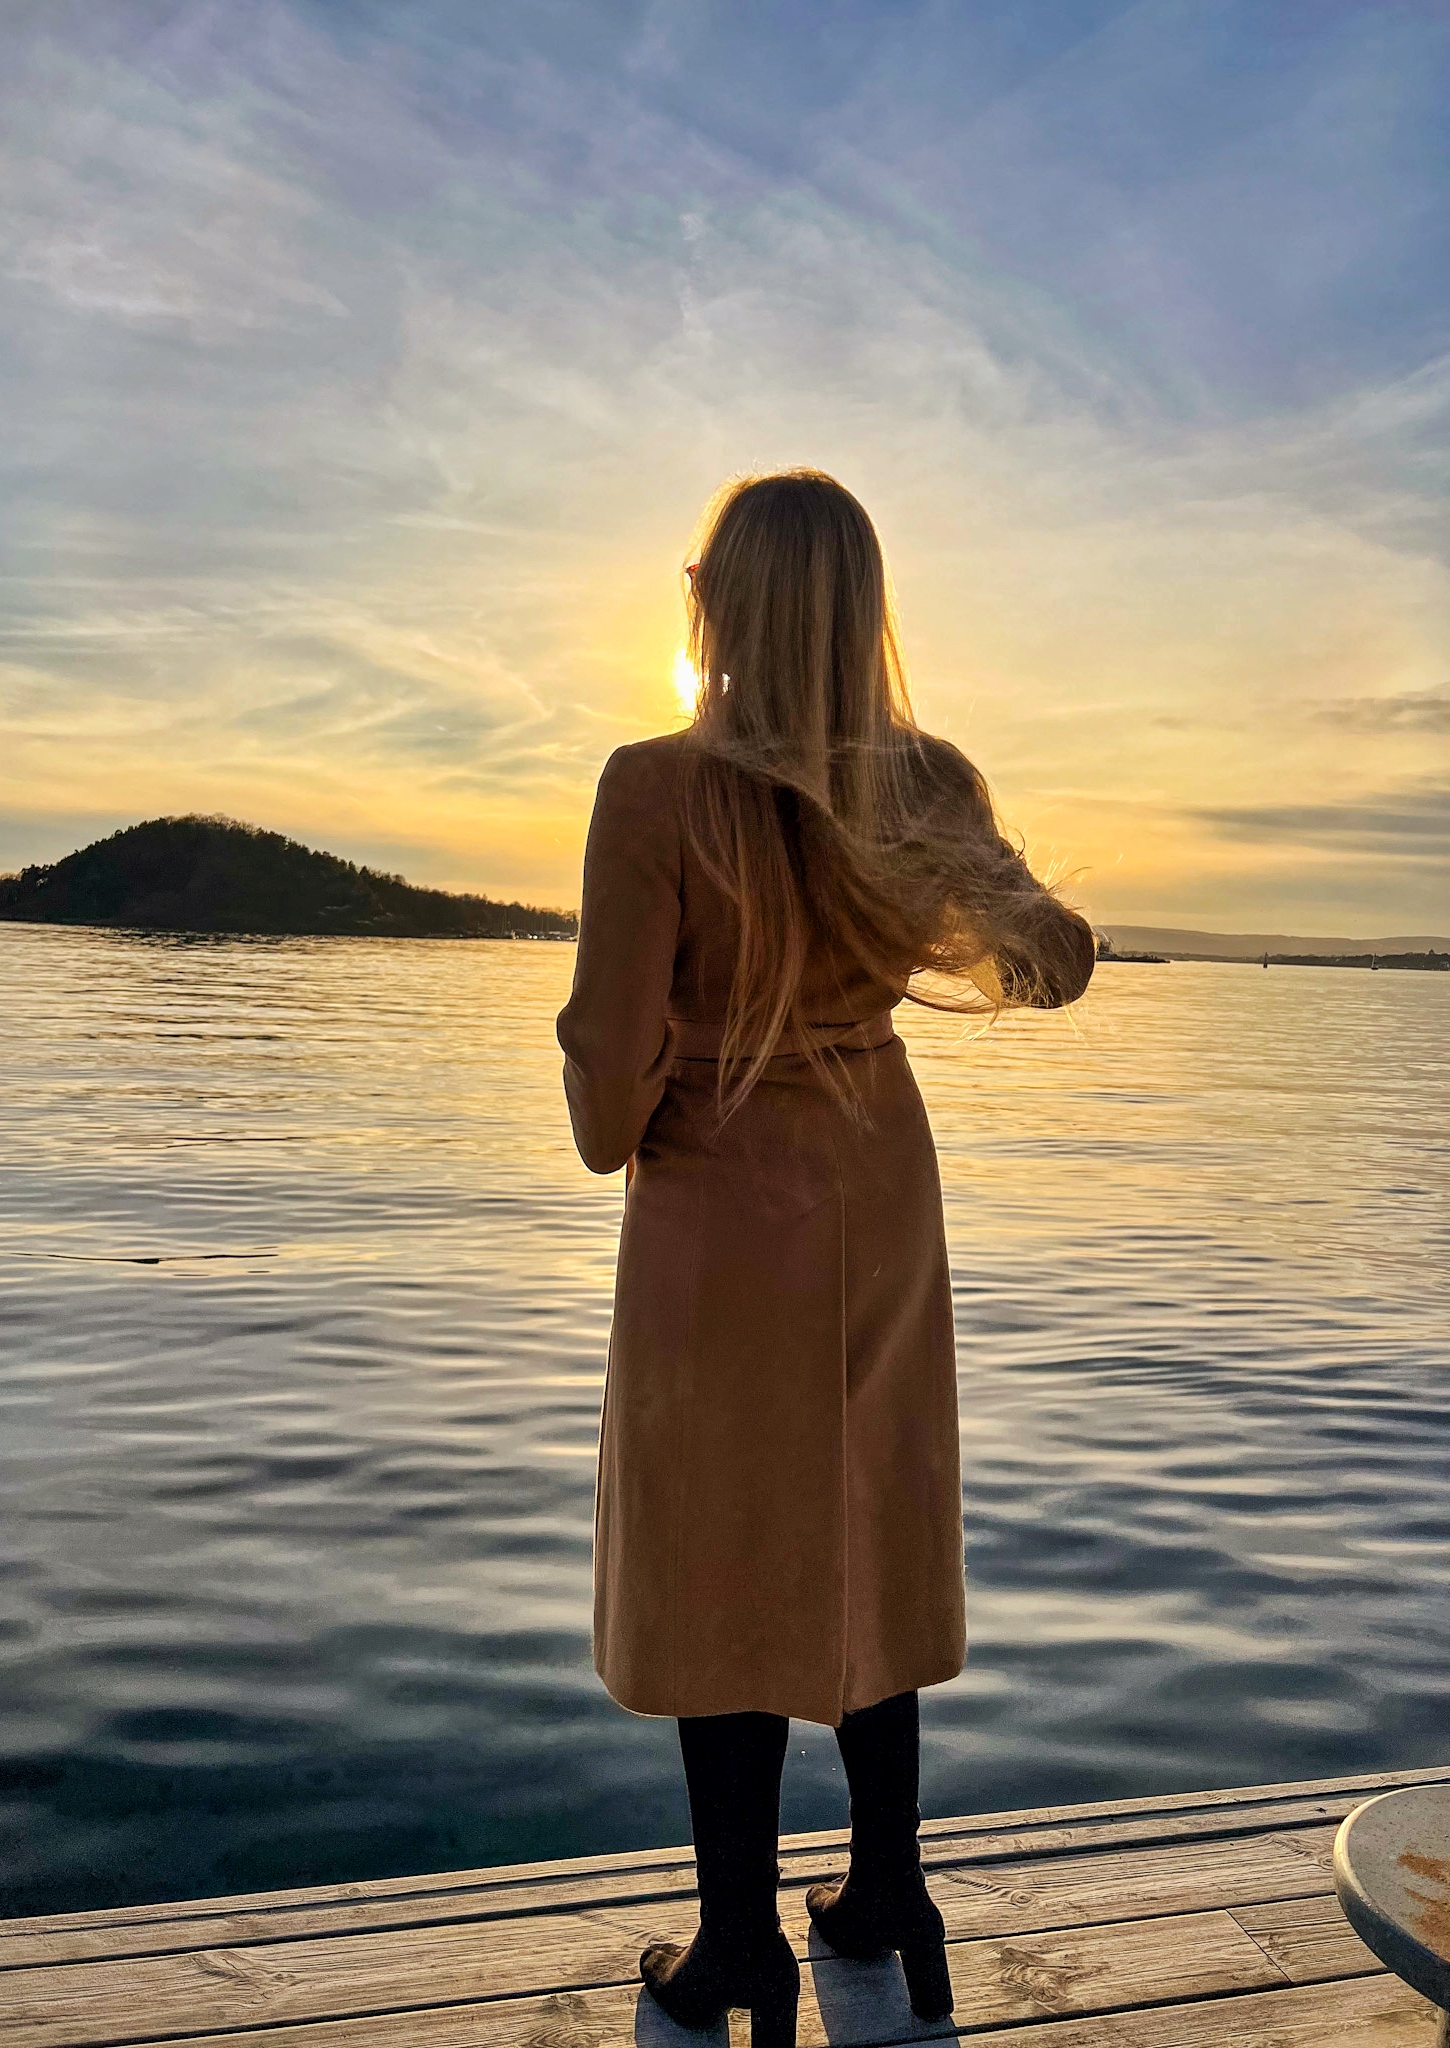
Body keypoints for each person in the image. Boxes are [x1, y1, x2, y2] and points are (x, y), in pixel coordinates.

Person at [556, 470, 1095, 2046]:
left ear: (718, 603)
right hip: (877, 1171)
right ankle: (888, 1895)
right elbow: (1056, 967)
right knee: (868, 1504)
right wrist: (969, 903)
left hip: (722, 1189)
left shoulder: (653, 786)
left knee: (719, 1536)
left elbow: (607, 1089)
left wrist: (637, 1089)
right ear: (865, 611)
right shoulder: (925, 780)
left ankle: (737, 1945)